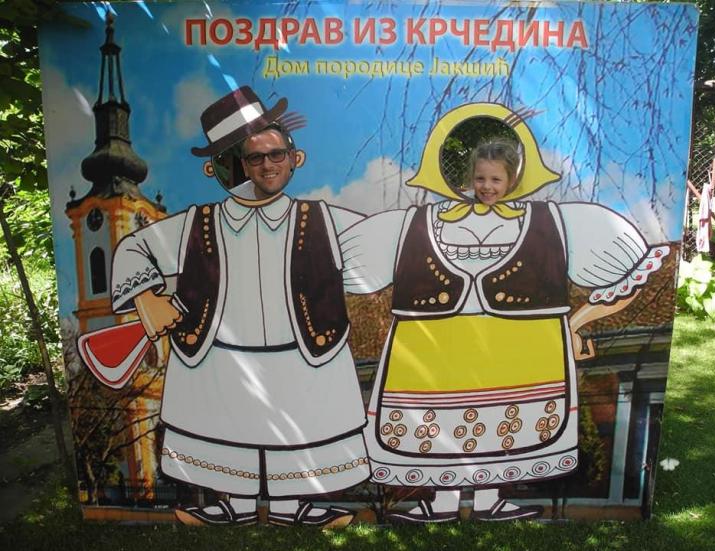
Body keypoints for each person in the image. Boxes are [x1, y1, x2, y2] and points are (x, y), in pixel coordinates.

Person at [339, 108, 670, 523]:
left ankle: (487, 499)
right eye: (480, 178)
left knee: (502, 428)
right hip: (436, 358)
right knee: (441, 427)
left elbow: (629, 274)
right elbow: (340, 266)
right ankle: (442, 502)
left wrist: (575, 324)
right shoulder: (413, 225)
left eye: (495, 179)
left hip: (518, 357)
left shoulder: (555, 223)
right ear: (467, 178)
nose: (487, 187)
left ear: (513, 179)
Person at [109, 86, 369, 527]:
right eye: (252, 157)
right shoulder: (197, 223)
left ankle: (293, 507)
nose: (266, 165)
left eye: (275, 154)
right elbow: (135, 248)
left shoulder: (322, 219)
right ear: (229, 166)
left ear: (294, 158)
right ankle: (234, 506)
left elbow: (383, 244)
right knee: (226, 436)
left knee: (298, 430)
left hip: (302, 355)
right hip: (222, 359)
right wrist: (147, 297)